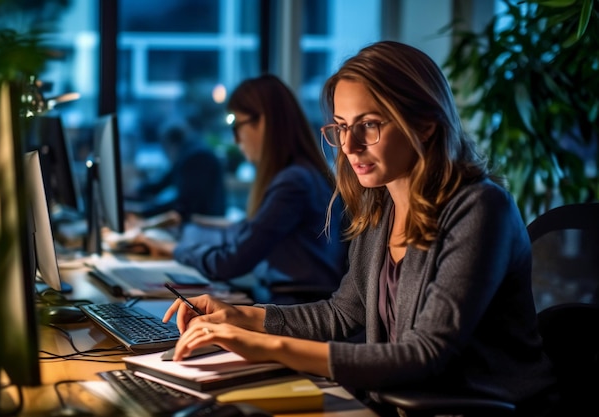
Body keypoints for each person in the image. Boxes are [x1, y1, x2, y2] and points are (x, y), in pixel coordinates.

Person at [161, 41, 559, 416]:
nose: (349, 146)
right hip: (397, 404)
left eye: (369, 125)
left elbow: (425, 353)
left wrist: (267, 346)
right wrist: (243, 317)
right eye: (340, 127)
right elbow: (341, 313)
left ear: (424, 124)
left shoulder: (480, 208)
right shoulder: (382, 206)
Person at [134, 74, 349, 304]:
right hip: (291, 302)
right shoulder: (301, 175)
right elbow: (247, 233)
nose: (236, 139)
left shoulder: (293, 183)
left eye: (237, 125)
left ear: (263, 122)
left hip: (294, 308)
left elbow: (231, 262)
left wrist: (174, 249)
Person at [130, 123, 226, 221]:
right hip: (198, 219)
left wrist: (145, 211)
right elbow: (162, 183)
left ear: (170, 144)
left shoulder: (195, 158)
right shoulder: (186, 155)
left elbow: (184, 203)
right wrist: (138, 191)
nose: (166, 156)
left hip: (205, 222)